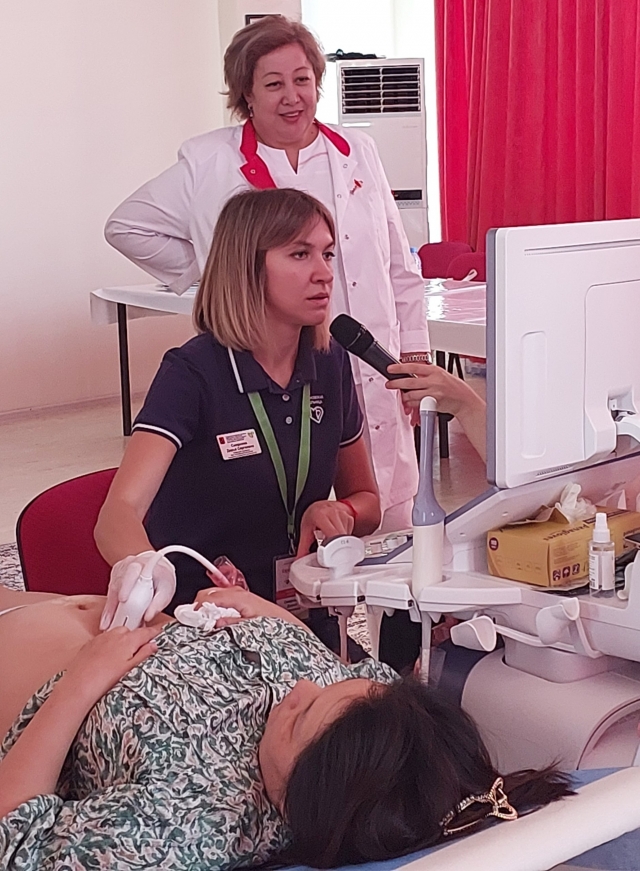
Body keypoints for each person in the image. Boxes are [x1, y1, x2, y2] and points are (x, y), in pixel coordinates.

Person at [104, 15, 429, 533]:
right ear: (246, 94)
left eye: (302, 80)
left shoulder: (357, 151)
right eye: (273, 84)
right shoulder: (209, 161)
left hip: (364, 360)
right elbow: (127, 226)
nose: (292, 97)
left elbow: (398, 265)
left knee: (387, 519)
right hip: (275, 364)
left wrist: (413, 354)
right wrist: (221, 274)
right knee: (285, 513)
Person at [0, 584, 573, 870]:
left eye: (299, 719)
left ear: (289, 801)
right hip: (66, 603)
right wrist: (259, 610)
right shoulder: (371, 723)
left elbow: (17, 832)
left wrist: (81, 682)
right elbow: (342, 674)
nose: (298, 691)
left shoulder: (185, 825)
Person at [95, 188, 381, 640]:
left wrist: (338, 509)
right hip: (204, 622)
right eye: (300, 254)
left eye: (327, 254)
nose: (325, 273)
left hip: (300, 618)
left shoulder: (330, 362)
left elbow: (367, 501)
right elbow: (117, 513)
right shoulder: (192, 372)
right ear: (247, 266)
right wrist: (147, 566)